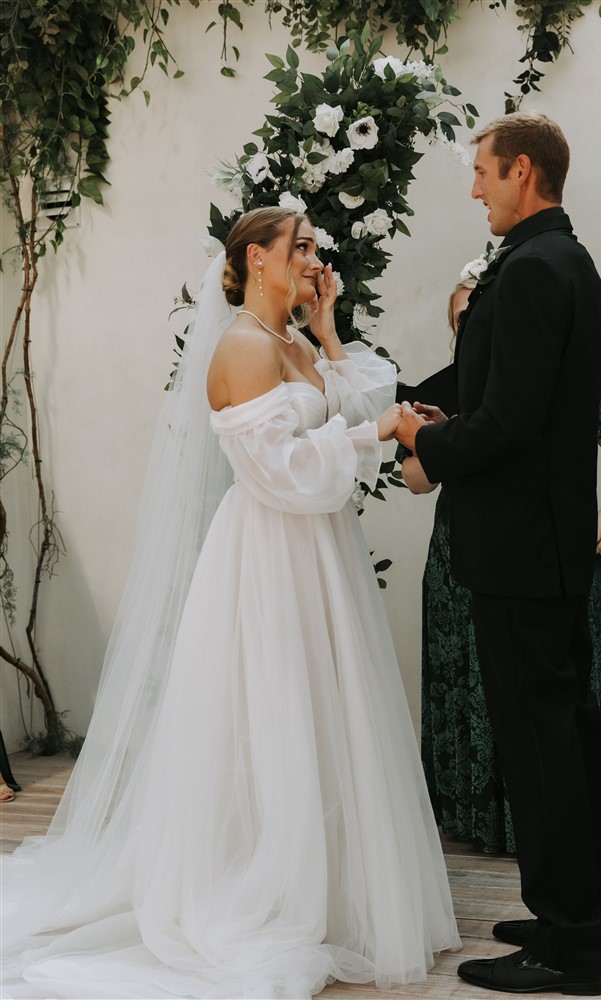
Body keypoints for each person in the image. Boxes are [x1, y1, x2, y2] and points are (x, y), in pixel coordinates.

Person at [1, 206, 460, 999]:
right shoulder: (242, 348)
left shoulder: (284, 339)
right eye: (303, 248)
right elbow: (276, 472)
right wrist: (372, 434)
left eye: (318, 248)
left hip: (316, 549)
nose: (317, 259)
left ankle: (324, 886)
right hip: (272, 552)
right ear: (256, 258)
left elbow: (348, 403)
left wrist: (326, 328)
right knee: (273, 713)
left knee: (320, 711)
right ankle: (265, 886)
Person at [395, 112, 601, 996]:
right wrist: (397, 397)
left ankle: (568, 954)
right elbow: (490, 384)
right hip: (548, 544)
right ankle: (592, 913)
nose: (473, 188)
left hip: (520, 550)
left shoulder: (534, 269)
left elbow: (507, 421)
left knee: (539, 746)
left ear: (522, 170)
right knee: (563, 735)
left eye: (483, 173)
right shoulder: (558, 261)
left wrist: (420, 447)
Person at [398, 284, 601, 853]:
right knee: (479, 691)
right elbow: (415, 478)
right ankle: (487, 822)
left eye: (479, 316)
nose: (471, 329)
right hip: (461, 558)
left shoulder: (538, 374)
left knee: (553, 692)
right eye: (461, 320)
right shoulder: (441, 390)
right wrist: (437, 439)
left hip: (539, 551)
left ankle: (568, 831)